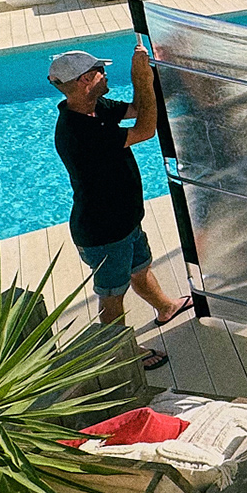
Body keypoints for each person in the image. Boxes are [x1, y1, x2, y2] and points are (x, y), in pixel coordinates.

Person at [49, 47, 189, 371]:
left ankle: (165, 307)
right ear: (86, 79)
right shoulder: (79, 131)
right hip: (104, 233)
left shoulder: (94, 108)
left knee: (140, 268)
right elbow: (145, 129)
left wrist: (143, 81)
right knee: (112, 295)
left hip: (125, 221)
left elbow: (138, 108)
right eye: (101, 70)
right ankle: (120, 351)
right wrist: (142, 78)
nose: (105, 74)